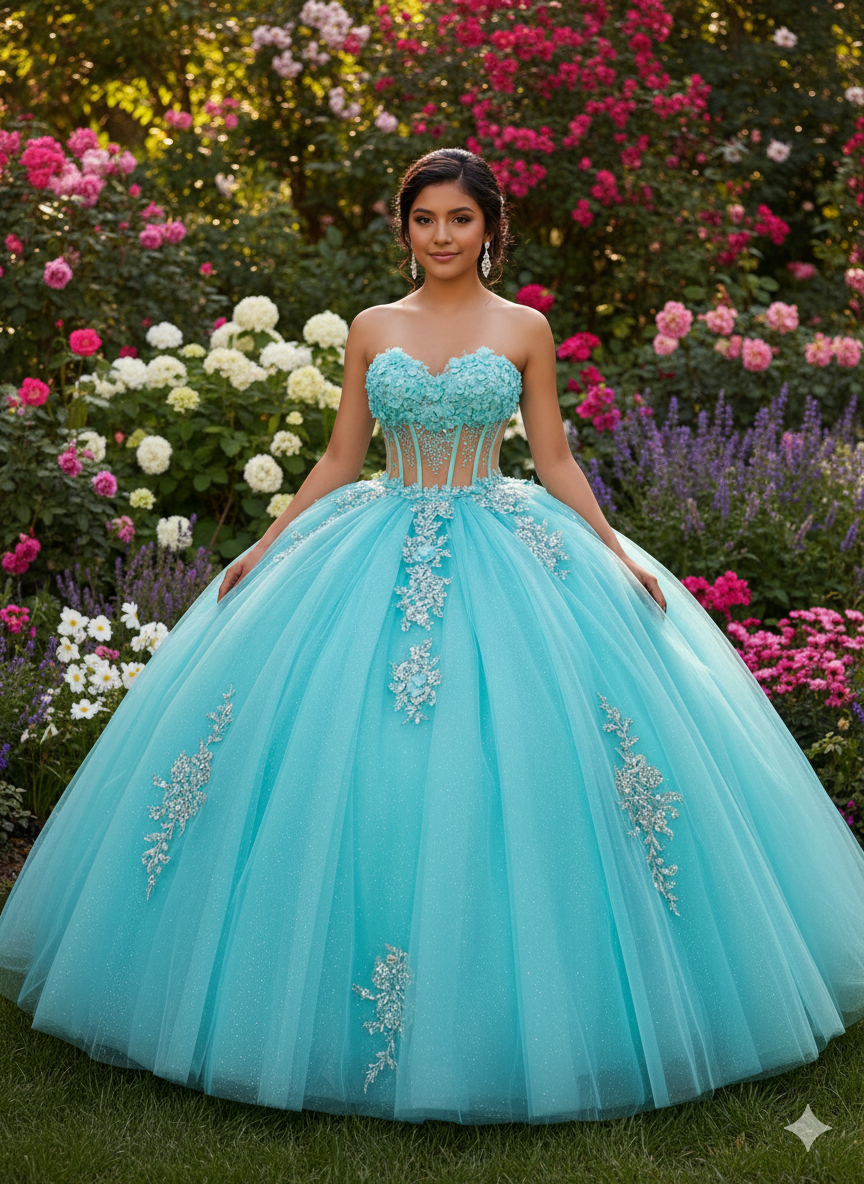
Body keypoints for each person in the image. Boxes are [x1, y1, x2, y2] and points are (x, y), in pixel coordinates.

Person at [1, 147, 864, 1126]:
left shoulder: (524, 327)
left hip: (508, 542)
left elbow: (554, 455)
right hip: (372, 541)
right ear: (404, 227)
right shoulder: (375, 328)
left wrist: (617, 551)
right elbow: (338, 454)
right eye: (425, 219)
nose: (442, 235)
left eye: (460, 218)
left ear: (491, 226)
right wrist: (263, 545)